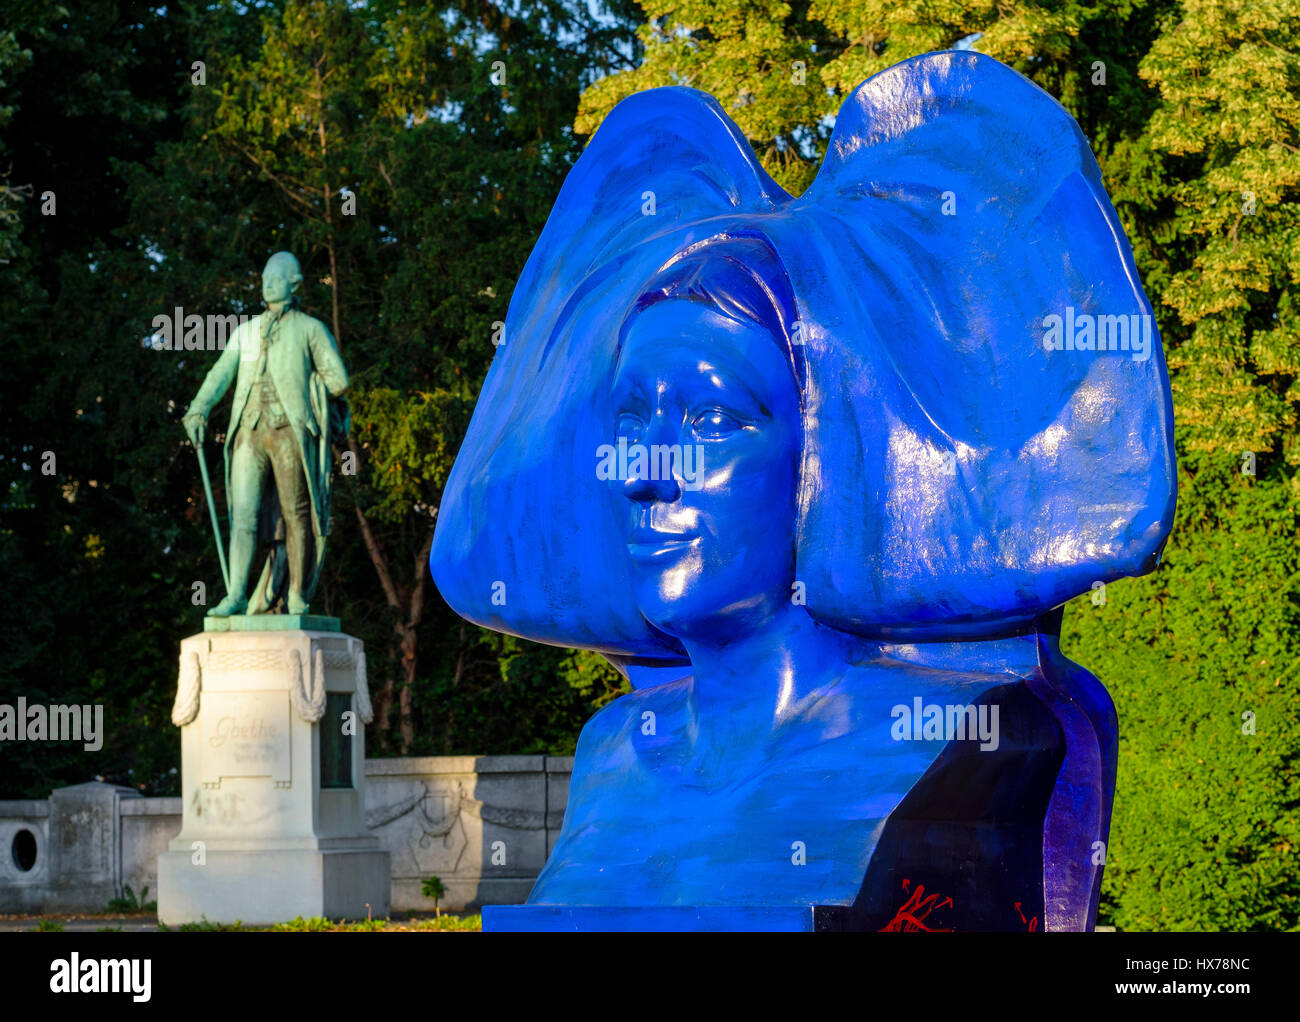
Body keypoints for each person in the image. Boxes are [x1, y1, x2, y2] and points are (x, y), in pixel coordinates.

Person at [182, 251, 349, 616]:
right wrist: (198, 407)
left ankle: (295, 595)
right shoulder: (247, 331)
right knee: (242, 516)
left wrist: (310, 388)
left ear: (295, 282)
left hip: (289, 430)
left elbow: (338, 379)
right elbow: (220, 372)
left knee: (296, 513)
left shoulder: (309, 328)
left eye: (276, 276)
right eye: (264, 276)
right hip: (248, 431)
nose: (267, 282)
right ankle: (236, 594)